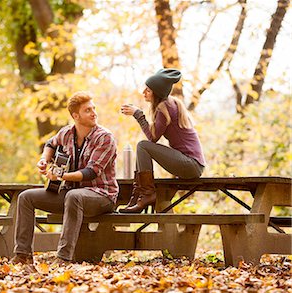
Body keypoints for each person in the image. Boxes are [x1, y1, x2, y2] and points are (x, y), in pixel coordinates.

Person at [11, 91, 119, 266]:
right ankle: (23, 255)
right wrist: (44, 160)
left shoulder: (105, 138)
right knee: (25, 197)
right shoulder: (66, 133)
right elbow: (50, 144)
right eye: (88, 110)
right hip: (71, 194)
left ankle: (63, 258)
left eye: (94, 108)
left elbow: (91, 172)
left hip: (101, 196)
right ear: (76, 116)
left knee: (74, 196)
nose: (94, 113)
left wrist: (60, 175)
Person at [119, 68, 206, 213]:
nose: (144, 93)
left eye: (147, 90)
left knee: (143, 146)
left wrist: (138, 114)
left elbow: (152, 138)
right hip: (193, 164)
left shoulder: (165, 108)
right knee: (142, 149)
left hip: (191, 164)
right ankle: (138, 194)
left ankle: (147, 194)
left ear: (157, 92)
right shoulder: (171, 103)